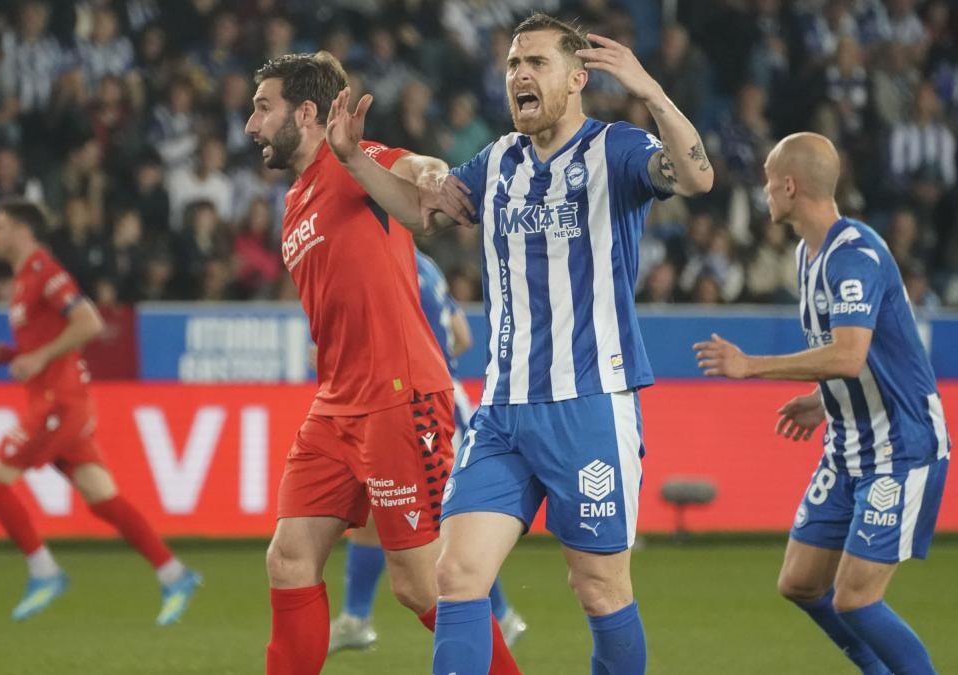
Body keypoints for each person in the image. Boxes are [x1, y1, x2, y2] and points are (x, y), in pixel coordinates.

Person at [324, 13, 712, 674]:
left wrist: (651, 91)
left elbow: (696, 176)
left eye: (536, 62)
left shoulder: (613, 149)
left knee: (599, 586)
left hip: (587, 403)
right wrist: (355, 159)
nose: (520, 75)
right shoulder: (498, 160)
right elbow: (422, 212)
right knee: (457, 574)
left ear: (577, 77)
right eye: (512, 64)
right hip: (502, 409)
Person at [244, 52, 520, 675]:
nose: (250, 124)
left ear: (306, 113)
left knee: (422, 587)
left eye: (263, 107)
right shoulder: (294, 201)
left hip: (400, 398)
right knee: (288, 558)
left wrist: (433, 176)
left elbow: (416, 170)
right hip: (336, 404)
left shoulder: (358, 165)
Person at [693, 132, 950, 675]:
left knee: (856, 597)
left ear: (789, 186)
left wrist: (750, 366)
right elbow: (854, 358)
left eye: (767, 178)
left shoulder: (853, 256)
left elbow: (850, 356)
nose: (763, 189)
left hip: (900, 448)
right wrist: (822, 398)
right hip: (849, 443)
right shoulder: (809, 254)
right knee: (802, 583)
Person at [0, 199, 200, 624]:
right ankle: (175, 574)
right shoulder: (25, 278)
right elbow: (51, 339)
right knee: (102, 498)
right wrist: (13, 354)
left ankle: (44, 572)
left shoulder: (45, 271)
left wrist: (38, 357)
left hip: (58, 404)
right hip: (58, 401)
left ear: (23, 230)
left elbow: (90, 323)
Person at [330, 250, 528, 654]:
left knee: (450, 527)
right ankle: (355, 618)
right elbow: (463, 336)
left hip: (421, 405)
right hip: (442, 393)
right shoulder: (425, 264)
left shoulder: (375, 263)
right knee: (376, 507)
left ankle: (501, 617)